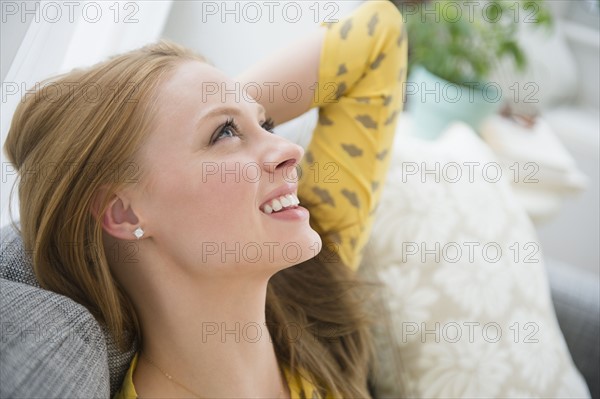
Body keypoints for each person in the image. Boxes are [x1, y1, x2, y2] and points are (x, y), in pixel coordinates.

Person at [4, 1, 407, 397]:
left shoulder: (317, 292)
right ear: (123, 211)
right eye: (224, 134)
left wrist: (218, 104)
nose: (289, 150)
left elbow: (380, 36)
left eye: (267, 123)